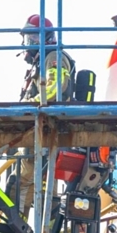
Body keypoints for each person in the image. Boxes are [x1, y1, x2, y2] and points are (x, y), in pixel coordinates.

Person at [15, 14, 75, 218]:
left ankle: (13, 229)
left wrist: (27, 106)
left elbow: (55, 89)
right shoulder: (41, 62)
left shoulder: (53, 58)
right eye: (27, 38)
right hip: (38, 127)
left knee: (22, 181)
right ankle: (21, 231)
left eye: (33, 38)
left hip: (45, 125)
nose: (28, 43)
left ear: (45, 38)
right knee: (30, 182)